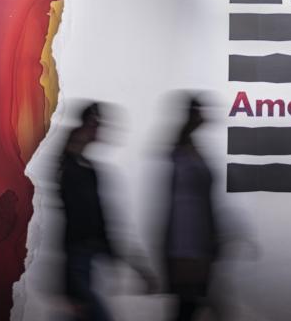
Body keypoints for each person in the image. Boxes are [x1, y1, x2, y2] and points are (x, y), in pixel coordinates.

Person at [58, 102, 155, 321]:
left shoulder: (87, 171)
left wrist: (134, 264)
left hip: (85, 258)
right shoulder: (69, 169)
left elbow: (99, 223)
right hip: (77, 260)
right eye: (97, 125)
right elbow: (75, 221)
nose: (100, 130)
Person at [162, 95, 222, 321]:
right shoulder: (181, 155)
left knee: (193, 302)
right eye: (199, 111)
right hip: (187, 241)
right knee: (190, 302)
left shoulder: (190, 152)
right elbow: (180, 206)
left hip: (198, 239)